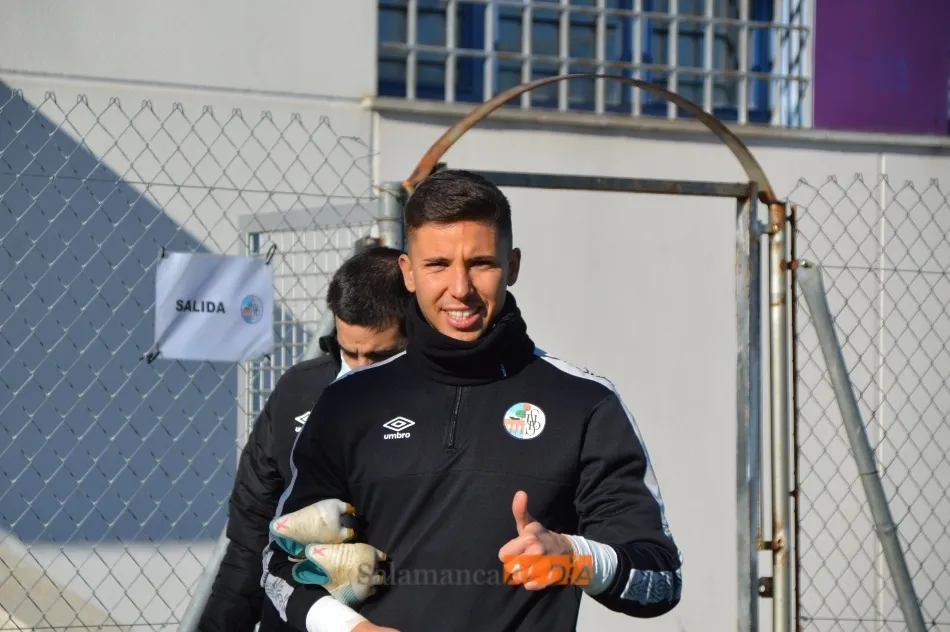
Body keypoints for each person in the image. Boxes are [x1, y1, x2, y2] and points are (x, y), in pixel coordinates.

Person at [261, 170, 683, 632]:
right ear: (408, 272)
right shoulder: (349, 403)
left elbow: (662, 580)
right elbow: (278, 567)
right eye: (437, 265)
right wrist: (352, 630)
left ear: (513, 265)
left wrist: (575, 557)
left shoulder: (583, 403)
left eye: (481, 263)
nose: (460, 288)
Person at [197, 246, 412, 632]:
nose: (359, 370)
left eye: (378, 357)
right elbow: (251, 532)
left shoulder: (443, 401)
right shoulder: (298, 390)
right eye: (349, 352)